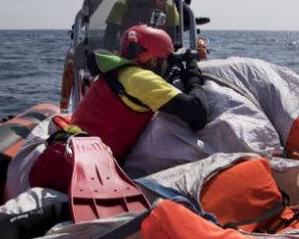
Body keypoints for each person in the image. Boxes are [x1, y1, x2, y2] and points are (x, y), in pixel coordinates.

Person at [28, 25, 209, 191]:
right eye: (165, 59)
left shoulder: (117, 71)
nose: (167, 66)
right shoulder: (141, 78)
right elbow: (198, 111)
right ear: (150, 58)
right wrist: (193, 75)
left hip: (64, 153)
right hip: (82, 168)